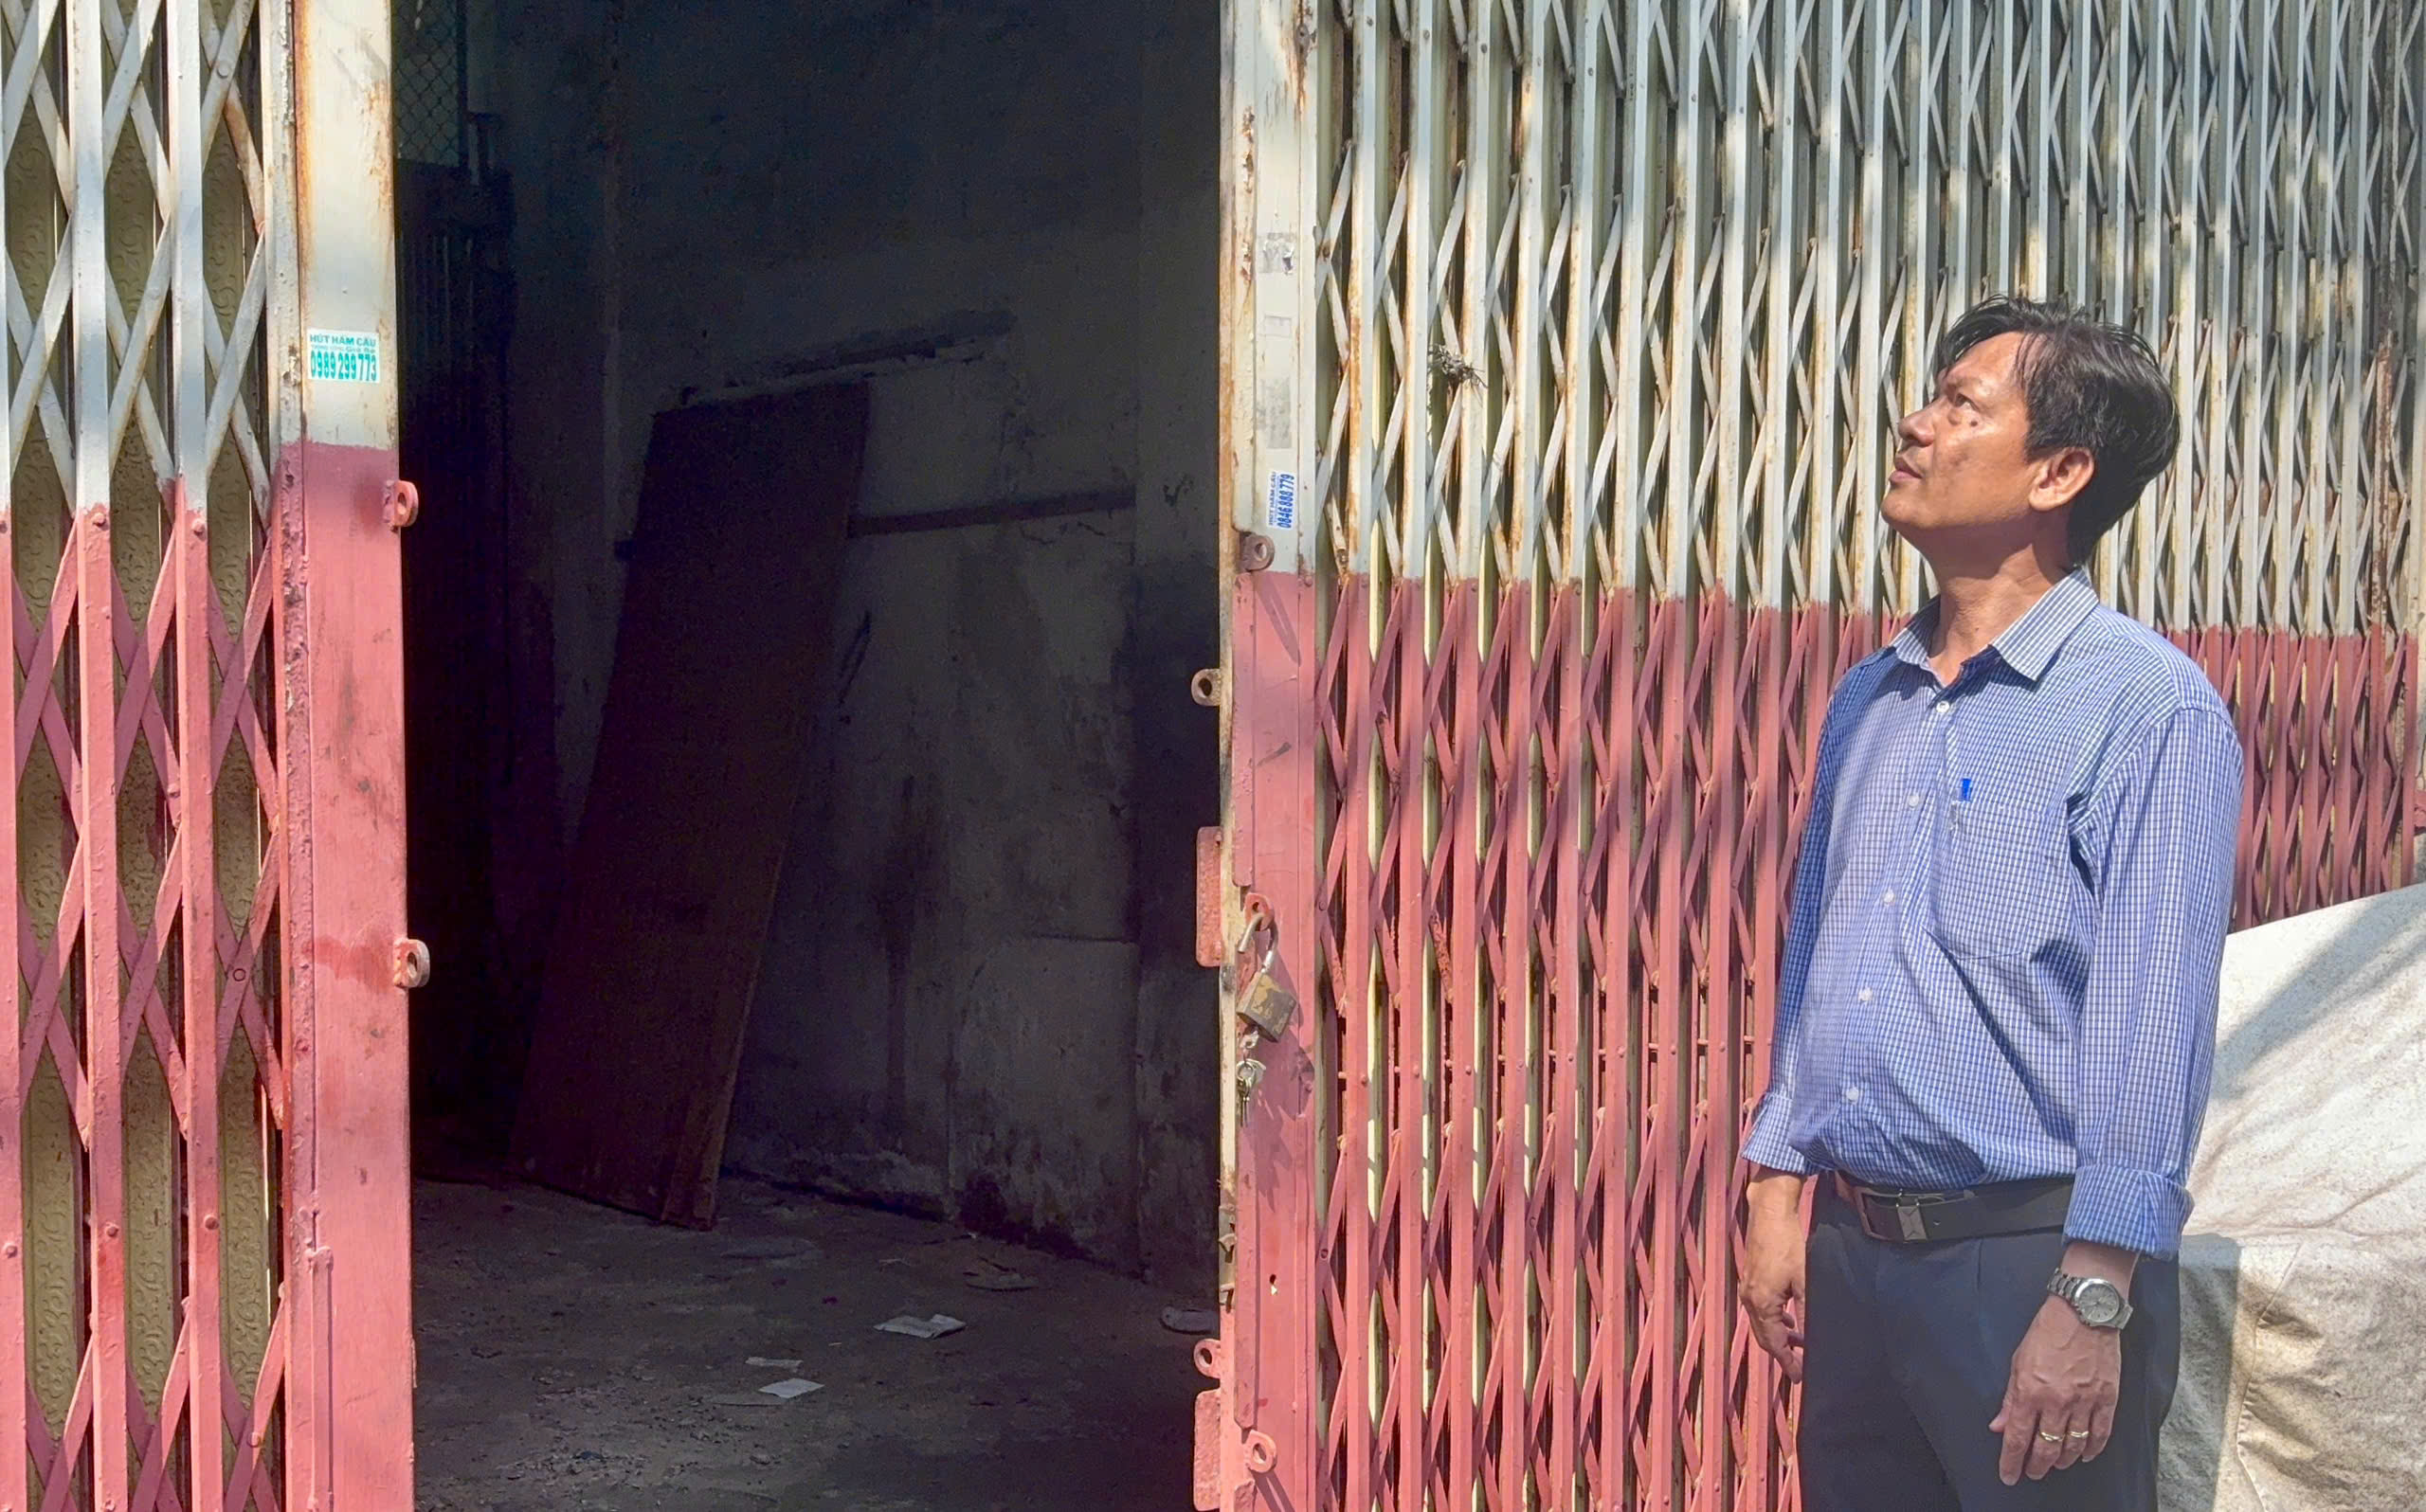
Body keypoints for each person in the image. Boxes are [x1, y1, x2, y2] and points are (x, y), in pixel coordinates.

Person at [1736, 296, 2244, 1510]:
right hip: (1857, 1257)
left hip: (2031, 1266)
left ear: (2059, 473)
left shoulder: (2148, 711)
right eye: (1931, 397)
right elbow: (1819, 957)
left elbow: (2152, 1025)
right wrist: (1776, 1177)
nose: (1916, 425)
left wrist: (2093, 1294)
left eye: (1962, 405)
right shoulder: (1871, 697)